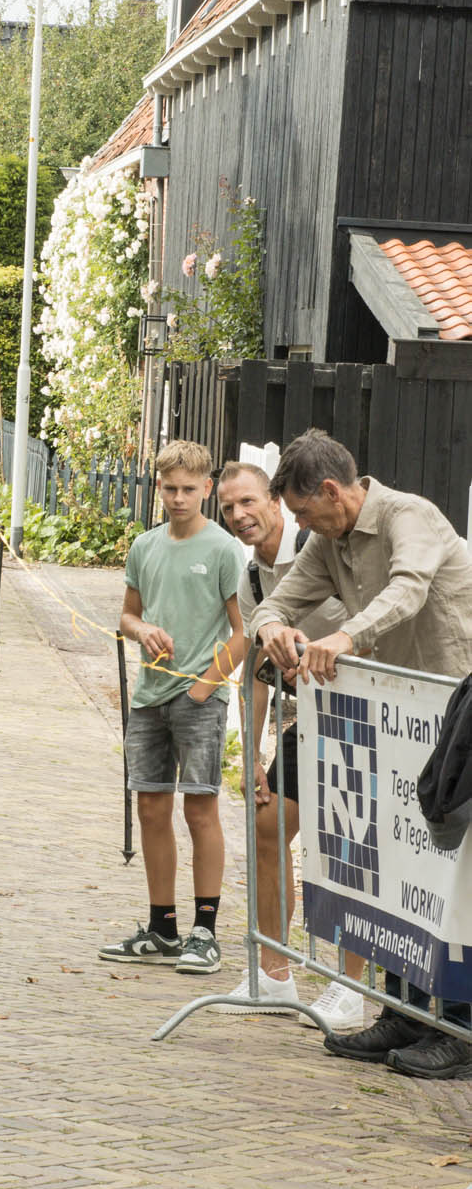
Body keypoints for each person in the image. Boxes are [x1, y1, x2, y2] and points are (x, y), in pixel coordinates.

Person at [251, 428, 472, 1079]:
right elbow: (276, 601)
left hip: (456, 718)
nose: (299, 526)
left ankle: (459, 1028)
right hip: (400, 721)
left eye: (302, 511)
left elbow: (407, 590)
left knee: (457, 873)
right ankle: (404, 1012)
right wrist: (273, 628)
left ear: (329, 491)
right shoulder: (329, 540)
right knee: (403, 866)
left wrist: (344, 637)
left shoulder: (411, 517)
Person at [215, 461, 365, 1030]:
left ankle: (351, 987)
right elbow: (255, 673)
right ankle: (275, 974)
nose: (239, 515)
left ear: (275, 502)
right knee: (269, 825)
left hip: (359, 718)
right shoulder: (252, 577)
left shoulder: (317, 547)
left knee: (349, 844)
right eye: (228, 508)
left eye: (248, 501)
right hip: (310, 721)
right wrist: (251, 754)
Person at [101, 439, 245, 974]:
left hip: (199, 698)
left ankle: (205, 933)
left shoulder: (225, 549)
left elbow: (245, 630)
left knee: (200, 809)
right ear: (158, 487)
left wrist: (204, 688)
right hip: (149, 696)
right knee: (150, 808)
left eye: (188, 489)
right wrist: (142, 630)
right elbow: (127, 616)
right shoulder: (145, 546)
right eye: (169, 489)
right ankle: (162, 928)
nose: (178, 498)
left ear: (207, 487)